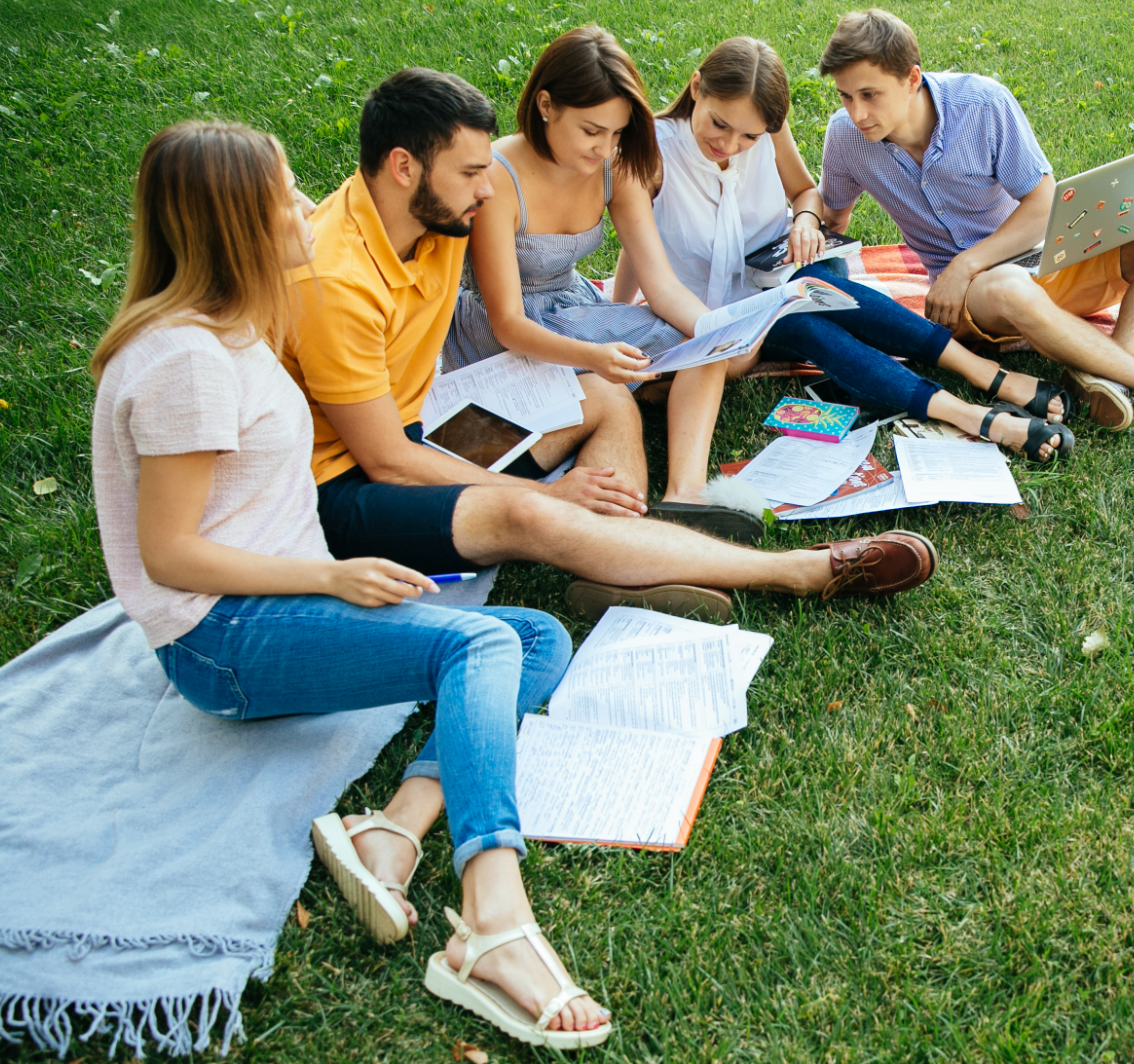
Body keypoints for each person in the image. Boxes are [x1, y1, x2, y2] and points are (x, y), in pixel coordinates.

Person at [88, 119, 609, 1047]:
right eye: (284, 193)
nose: (304, 205)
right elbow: (169, 555)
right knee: (484, 640)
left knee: (536, 637)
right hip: (223, 640)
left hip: (281, 597)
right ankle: (491, 915)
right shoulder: (188, 365)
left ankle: (396, 826)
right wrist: (327, 573)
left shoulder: (234, 329)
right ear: (233, 220)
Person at [281, 66, 938, 625]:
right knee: (527, 517)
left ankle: (625, 566)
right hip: (351, 487)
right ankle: (799, 571)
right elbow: (388, 459)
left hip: (438, 420)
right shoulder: (336, 283)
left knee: (602, 395)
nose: (487, 189)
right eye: (471, 173)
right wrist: (551, 496)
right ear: (403, 168)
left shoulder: (430, 215)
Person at [816, 8, 1134, 439]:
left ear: (912, 79)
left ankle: (1110, 377)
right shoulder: (845, 138)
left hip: (1043, 260)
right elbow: (833, 217)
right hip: (981, 302)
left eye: (869, 95)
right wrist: (805, 220)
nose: (857, 113)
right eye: (846, 96)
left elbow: (1041, 204)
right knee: (1008, 284)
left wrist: (966, 263)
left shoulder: (981, 104)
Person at [639, 35, 1074, 462]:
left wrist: (806, 221)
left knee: (813, 289)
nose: (731, 144)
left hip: (790, 274)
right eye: (719, 125)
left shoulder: (766, 125)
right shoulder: (650, 152)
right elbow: (639, 249)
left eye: (749, 136)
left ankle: (982, 375)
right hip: (725, 312)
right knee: (801, 321)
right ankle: (976, 414)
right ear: (697, 88)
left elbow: (805, 193)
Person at [448, 27, 756, 541]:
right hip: (498, 332)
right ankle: (641, 407)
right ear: (546, 105)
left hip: (573, 306)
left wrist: (720, 330)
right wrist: (593, 358)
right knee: (661, 358)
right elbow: (506, 322)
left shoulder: (616, 164)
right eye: (592, 130)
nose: (605, 147)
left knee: (706, 346)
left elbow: (658, 282)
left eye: (616, 133)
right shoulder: (499, 175)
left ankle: (685, 495)